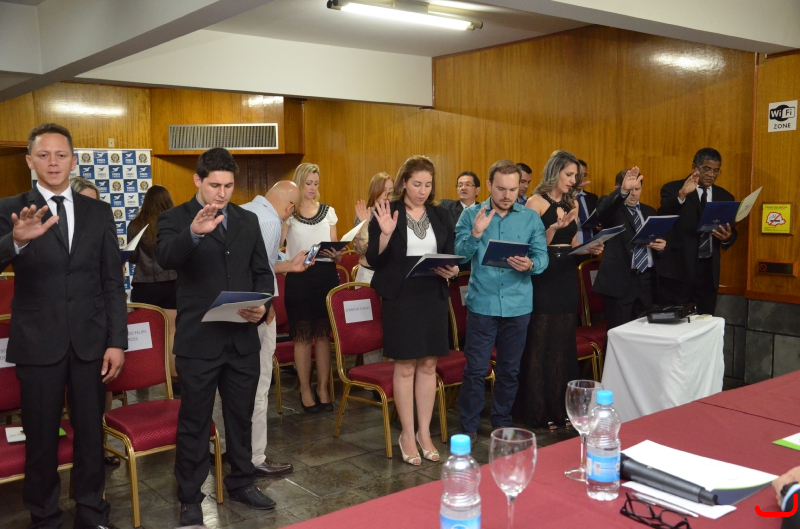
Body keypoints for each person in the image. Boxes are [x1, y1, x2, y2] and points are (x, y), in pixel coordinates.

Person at [0, 123, 127, 529]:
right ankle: (45, 516)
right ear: (30, 161)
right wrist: (16, 241)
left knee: (90, 433)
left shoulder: (98, 211)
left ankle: (92, 511)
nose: (52, 162)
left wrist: (117, 341)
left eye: (61, 155)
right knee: (40, 438)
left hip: (91, 343)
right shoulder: (11, 209)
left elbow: (112, 280)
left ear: (73, 161)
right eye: (43, 155)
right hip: (38, 342)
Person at [157, 148, 275, 526]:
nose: (221, 193)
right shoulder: (175, 218)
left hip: (241, 337)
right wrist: (194, 232)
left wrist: (262, 306)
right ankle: (190, 496)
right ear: (198, 180)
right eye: (214, 185)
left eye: (228, 185)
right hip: (199, 339)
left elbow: (262, 271)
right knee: (194, 422)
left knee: (240, 416)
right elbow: (165, 257)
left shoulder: (246, 219)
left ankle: (242, 481)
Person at [366, 155, 459, 465]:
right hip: (401, 298)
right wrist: (386, 234)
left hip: (432, 295)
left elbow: (450, 254)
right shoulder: (387, 210)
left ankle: (424, 433)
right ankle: (406, 434)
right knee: (405, 366)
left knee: (429, 365)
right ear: (404, 182)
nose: (423, 190)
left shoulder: (440, 213)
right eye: (417, 184)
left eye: (428, 185)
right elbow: (374, 259)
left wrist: (452, 270)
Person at [454, 159, 548, 442]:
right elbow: (459, 255)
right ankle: (469, 425)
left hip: (518, 305)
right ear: (489, 185)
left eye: (513, 189)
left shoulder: (530, 218)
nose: (507, 196)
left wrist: (531, 264)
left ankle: (502, 421)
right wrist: (476, 233)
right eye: (500, 189)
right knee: (475, 369)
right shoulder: (471, 214)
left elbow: (542, 256)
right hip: (483, 304)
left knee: (510, 370)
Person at [513, 150, 603, 430]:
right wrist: (552, 229)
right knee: (541, 341)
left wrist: (589, 249)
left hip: (566, 275)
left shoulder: (571, 202)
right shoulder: (535, 202)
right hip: (544, 274)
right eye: (569, 174)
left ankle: (561, 408)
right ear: (555, 173)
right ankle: (538, 410)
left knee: (563, 341)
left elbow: (573, 243)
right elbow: (530, 245)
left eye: (576, 175)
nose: (573, 180)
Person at [240, 181, 309, 478]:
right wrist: (267, 306)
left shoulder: (244, 209)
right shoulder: (270, 221)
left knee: (234, 386)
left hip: (232, 310)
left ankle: (235, 449)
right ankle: (256, 456)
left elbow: (260, 264)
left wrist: (288, 266)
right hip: (255, 312)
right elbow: (259, 273)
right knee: (259, 385)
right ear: (290, 207)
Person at [281, 163, 341, 413]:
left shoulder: (328, 212)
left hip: (325, 276)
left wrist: (336, 254)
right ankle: (305, 389)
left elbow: (336, 247)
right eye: (308, 183)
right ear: (299, 183)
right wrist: (282, 219)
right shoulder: (290, 213)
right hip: (299, 278)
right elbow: (277, 244)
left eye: (316, 183)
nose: (313, 188)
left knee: (323, 337)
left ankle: (323, 388)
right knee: (304, 337)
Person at [657, 148, 737, 315]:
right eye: (706, 169)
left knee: (704, 320)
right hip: (678, 270)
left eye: (716, 171)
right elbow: (663, 217)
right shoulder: (673, 189)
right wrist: (682, 195)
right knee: (675, 322)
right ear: (695, 167)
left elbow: (732, 230)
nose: (711, 175)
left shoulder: (725, 196)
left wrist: (727, 238)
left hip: (708, 271)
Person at [593, 167, 666, 329]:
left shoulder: (649, 211)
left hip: (646, 280)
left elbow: (658, 243)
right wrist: (622, 191)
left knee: (643, 333)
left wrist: (661, 247)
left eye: (637, 189)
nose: (633, 194)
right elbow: (603, 212)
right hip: (620, 281)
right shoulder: (612, 209)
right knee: (620, 333)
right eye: (629, 189)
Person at [353, 172, 394, 284]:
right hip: (368, 273)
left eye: (390, 190)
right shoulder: (364, 214)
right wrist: (364, 225)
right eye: (383, 190)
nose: (387, 194)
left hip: (390, 273)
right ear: (375, 191)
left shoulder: (395, 215)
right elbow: (361, 249)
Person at [575, 159, 599, 247]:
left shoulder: (593, 198)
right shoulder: (562, 198)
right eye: (578, 175)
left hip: (590, 248)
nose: (582, 179)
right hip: (570, 249)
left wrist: (599, 226)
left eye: (584, 175)